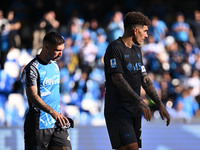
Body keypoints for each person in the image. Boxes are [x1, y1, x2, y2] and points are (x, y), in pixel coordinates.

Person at [103, 11, 170, 150]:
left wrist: (159, 103)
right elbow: (117, 79)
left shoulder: (137, 51)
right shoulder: (114, 48)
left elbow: (145, 79)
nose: (146, 35)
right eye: (145, 31)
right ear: (135, 30)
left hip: (133, 110)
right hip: (118, 110)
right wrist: (139, 100)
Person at [21, 31, 73, 150]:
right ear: (46, 47)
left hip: (57, 122)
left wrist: (58, 112)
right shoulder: (32, 69)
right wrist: (52, 112)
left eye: (62, 50)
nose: (61, 54)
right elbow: (33, 96)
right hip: (39, 123)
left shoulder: (55, 65)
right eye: (57, 50)